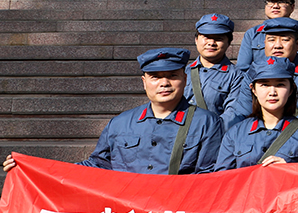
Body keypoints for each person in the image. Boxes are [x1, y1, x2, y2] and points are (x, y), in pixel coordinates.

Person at [5, 48, 223, 175]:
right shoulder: (121, 124)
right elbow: (97, 166)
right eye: (155, 77)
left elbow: (209, 177)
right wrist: (36, 169)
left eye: (172, 76)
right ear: (144, 82)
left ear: (184, 79)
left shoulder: (207, 123)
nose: (164, 83)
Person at [215, 57, 298, 170]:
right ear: (253, 89)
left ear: (291, 89)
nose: (272, 92)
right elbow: (221, 177)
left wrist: (290, 170)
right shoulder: (235, 133)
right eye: (265, 85)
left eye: (280, 85)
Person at [230, 17, 298, 127]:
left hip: (296, 133)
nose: (277, 46)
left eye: (285, 40)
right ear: (264, 43)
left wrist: (278, 132)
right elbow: (244, 112)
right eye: (271, 40)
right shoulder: (253, 72)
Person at [236, 0, 298, 72]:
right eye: (270, 2)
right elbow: (243, 68)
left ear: (292, 7)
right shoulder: (252, 33)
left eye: (282, 2)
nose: (275, 6)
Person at [185, 13, 244, 127]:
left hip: (213, 134)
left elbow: (232, 115)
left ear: (229, 42)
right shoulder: (182, 72)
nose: (211, 43)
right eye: (206, 37)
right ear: (196, 39)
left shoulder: (236, 76)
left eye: (218, 38)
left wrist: (207, 132)